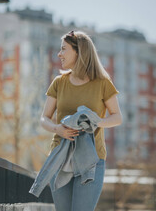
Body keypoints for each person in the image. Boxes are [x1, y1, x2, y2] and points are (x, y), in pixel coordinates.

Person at [40, 30, 122, 211]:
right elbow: (44, 118)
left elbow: (117, 117)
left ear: (79, 52)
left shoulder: (102, 83)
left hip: (92, 161)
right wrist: (57, 129)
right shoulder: (59, 82)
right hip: (59, 159)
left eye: (64, 49)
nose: (59, 54)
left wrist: (95, 121)